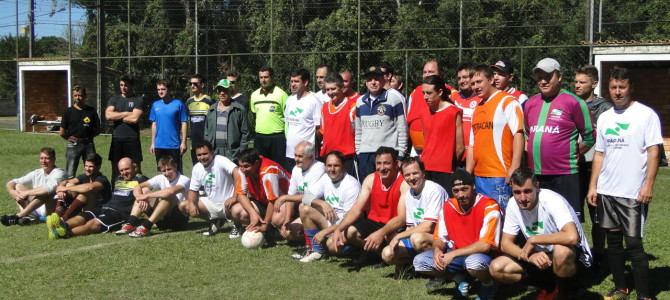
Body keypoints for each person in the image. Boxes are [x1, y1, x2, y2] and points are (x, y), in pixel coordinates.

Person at [587, 67, 662, 300]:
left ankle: (645, 294)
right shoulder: (605, 117)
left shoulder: (646, 114)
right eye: (613, 87)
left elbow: (653, 152)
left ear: (630, 88)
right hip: (607, 190)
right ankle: (621, 288)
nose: (617, 92)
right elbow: (599, 154)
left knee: (634, 244)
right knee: (614, 242)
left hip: (632, 193)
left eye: (622, 87)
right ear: (608, 89)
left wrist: (648, 185)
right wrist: (593, 186)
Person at [489, 168, 592, 299]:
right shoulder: (512, 204)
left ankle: (565, 292)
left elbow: (572, 237)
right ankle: (549, 287)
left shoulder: (551, 200)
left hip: (573, 256)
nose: (522, 198)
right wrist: (529, 257)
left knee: (561, 252)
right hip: (541, 255)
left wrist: (534, 239)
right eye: (517, 192)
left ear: (537, 186)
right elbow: (505, 244)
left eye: (527, 191)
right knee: (497, 267)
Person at [524, 58, 595, 221]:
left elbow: (590, 136)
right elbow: (529, 134)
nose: (543, 81)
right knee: (541, 221)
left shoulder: (575, 102)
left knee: (568, 222)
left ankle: (573, 248)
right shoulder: (530, 103)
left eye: (548, 76)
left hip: (565, 174)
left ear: (559, 76)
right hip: (537, 175)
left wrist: (578, 152)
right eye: (539, 77)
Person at [413, 169, 500, 299]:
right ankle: (461, 279)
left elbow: (485, 245)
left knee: (473, 262)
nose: (460, 195)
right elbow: (440, 238)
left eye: (464, 189)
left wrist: (452, 254)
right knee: (420, 262)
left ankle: (488, 284)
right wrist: (437, 250)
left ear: (474, 187)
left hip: (482, 256)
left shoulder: (489, 205)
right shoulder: (447, 206)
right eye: (456, 191)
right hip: (457, 256)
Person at [326, 147, 409, 265]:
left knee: (390, 251)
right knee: (346, 234)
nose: (382, 167)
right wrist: (339, 229)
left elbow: (402, 218)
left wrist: (381, 233)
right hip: (374, 222)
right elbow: (356, 209)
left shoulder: (404, 183)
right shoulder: (370, 179)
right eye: (378, 163)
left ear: (396, 164)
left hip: (394, 226)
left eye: (386, 163)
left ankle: (378, 254)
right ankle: (376, 253)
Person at [467, 65, 524, 210]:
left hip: (499, 175)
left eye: (479, 82)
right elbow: (472, 146)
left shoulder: (508, 102)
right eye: (473, 83)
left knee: (501, 221)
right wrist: (468, 175)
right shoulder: (477, 109)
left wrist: (514, 168)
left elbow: (518, 134)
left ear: (491, 79)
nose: (475, 87)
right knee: (485, 221)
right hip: (479, 176)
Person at [45, 157, 148, 239]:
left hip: (120, 214)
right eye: (121, 170)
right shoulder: (119, 178)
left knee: (94, 224)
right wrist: (63, 185)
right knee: (84, 216)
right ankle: (60, 225)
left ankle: (66, 233)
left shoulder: (142, 180)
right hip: (105, 207)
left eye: (127, 169)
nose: (124, 172)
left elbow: (147, 195)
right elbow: (71, 181)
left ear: (135, 167)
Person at [573, 64, 612, 267]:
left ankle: (599, 253)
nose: (577, 86)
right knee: (573, 212)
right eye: (576, 82)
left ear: (594, 83)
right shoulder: (571, 103)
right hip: (574, 168)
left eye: (582, 82)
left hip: (595, 168)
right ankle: (578, 252)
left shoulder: (605, 109)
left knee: (597, 214)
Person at [381, 157, 445, 277]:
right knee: (387, 253)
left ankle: (440, 271)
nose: (411, 178)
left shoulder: (434, 190)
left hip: (440, 240)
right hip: (419, 237)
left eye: (415, 173)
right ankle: (412, 267)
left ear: (423, 173)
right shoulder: (410, 193)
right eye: (407, 175)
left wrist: (399, 236)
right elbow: (410, 226)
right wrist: (397, 240)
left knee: (417, 238)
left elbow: (428, 226)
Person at [299, 151, 361, 262]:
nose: (332, 169)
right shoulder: (325, 178)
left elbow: (349, 220)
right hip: (331, 222)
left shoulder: (351, 185)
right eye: (329, 165)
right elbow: (305, 197)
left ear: (344, 166)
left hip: (345, 227)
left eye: (336, 165)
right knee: (304, 208)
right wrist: (322, 203)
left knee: (331, 246)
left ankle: (356, 249)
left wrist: (325, 232)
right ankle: (317, 251)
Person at [115, 156, 190, 237]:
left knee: (168, 197)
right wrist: (140, 197)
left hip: (178, 221)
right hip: (162, 220)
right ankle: (131, 223)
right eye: (163, 171)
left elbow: (170, 192)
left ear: (175, 166)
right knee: (144, 190)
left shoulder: (184, 179)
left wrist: (146, 196)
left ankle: (146, 227)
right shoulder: (161, 178)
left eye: (169, 169)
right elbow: (138, 186)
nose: (167, 173)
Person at [355, 66, 408, 181]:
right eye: (369, 79)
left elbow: (402, 128)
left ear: (383, 80)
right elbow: (358, 130)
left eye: (376, 79)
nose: (373, 82)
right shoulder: (359, 102)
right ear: (366, 82)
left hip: (387, 155)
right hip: (365, 155)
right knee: (367, 189)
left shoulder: (394, 99)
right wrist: (359, 152)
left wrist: (401, 154)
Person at [179, 142, 241, 237]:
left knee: (237, 207)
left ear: (212, 152)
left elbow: (237, 172)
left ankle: (237, 225)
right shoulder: (197, 168)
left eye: (205, 154)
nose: (202, 157)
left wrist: (235, 196)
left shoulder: (220, 160)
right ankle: (216, 220)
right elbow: (193, 190)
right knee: (184, 205)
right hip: (212, 203)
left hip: (229, 203)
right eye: (199, 155)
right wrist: (192, 204)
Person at [274, 141, 325, 252]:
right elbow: (291, 195)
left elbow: (310, 197)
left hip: (318, 209)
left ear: (311, 157)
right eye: (295, 155)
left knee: (303, 206)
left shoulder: (319, 168)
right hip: (302, 206)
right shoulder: (296, 169)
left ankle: (312, 244)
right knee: (278, 220)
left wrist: (284, 197)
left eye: (300, 156)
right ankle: (303, 234)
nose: (296, 159)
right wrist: (286, 221)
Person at [234, 148, 291, 245]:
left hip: (285, 202)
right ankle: (268, 230)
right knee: (237, 210)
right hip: (263, 201)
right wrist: (253, 214)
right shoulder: (242, 170)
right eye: (241, 166)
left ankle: (275, 229)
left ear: (256, 163)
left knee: (276, 219)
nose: (243, 169)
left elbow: (273, 200)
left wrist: (265, 224)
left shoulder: (268, 171)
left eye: (246, 166)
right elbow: (240, 194)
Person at [419, 75, 464, 192]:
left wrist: (450, 163)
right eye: (423, 93)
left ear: (439, 92)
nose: (425, 97)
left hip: (445, 170)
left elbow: (460, 147)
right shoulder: (424, 112)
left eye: (429, 93)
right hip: (425, 168)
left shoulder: (453, 112)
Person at [2, 147, 66, 226]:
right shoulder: (37, 172)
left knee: (45, 193)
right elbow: (12, 182)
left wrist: (26, 193)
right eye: (41, 158)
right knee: (18, 186)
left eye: (47, 158)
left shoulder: (59, 173)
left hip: (49, 208)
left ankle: (18, 216)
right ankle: (29, 217)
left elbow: (48, 188)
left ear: (54, 159)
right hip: (35, 205)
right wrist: (12, 192)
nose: (43, 161)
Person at [53, 153, 111, 224]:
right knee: (69, 184)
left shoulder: (102, 179)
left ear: (98, 167)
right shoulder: (85, 176)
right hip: (86, 207)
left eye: (90, 166)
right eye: (86, 166)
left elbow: (89, 187)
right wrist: (61, 190)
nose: (87, 169)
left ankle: (64, 218)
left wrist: (65, 189)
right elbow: (66, 182)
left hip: (100, 209)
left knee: (84, 193)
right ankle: (56, 215)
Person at [250, 66, 289, 171]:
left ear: (272, 78)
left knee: (278, 168)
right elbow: (255, 114)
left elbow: (288, 117)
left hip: (277, 138)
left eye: (266, 77)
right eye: (261, 77)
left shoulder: (282, 94)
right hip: (260, 138)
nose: (263, 80)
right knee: (260, 168)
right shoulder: (254, 95)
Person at [106, 75, 144, 182]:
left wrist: (117, 116)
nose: (123, 87)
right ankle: (115, 194)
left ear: (132, 86)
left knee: (136, 169)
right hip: (117, 139)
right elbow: (108, 116)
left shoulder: (138, 100)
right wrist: (126, 113)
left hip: (132, 139)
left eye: (126, 85)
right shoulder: (114, 99)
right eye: (121, 85)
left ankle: (137, 195)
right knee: (116, 169)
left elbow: (134, 119)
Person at [319, 73, 357, 177]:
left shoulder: (352, 106)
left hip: (346, 156)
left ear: (341, 88)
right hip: (329, 157)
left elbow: (358, 132)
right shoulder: (324, 107)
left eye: (333, 89)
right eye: (327, 89)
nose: (330, 92)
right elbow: (323, 132)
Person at [203, 78, 250, 160]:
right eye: (219, 90)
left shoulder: (239, 109)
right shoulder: (211, 110)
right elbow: (206, 132)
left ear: (230, 91)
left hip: (232, 153)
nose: (222, 93)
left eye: (225, 90)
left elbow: (245, 133)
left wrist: (241, 151)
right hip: (214, 153)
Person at [59, 85, 100, 179]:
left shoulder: (91, 111)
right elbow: (62, 132)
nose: (78, 98)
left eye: (80, 95)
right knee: (70, 172)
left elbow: (98, 129)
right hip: (73, 144)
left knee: (92, 168)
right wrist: (69, 138)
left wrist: (89, 137)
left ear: (85, 96)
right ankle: (69, 190)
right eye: (75, 95)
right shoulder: (68, 111)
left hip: (88, 144)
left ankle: (91, 188)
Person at [284, 68, 322, 170]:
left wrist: (314, 149)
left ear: (305, 82)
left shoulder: (314, 101)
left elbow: (318, 128)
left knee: (306, 184)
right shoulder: (289, 100)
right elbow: (288, 125)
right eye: (291, 81)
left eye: (296, 81)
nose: (293, 84)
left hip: (306, 155)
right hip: (290, 152)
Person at [149, 79, 188, 173]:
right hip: (159, 145)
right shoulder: (155, 105)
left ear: (169, 90)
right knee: (162, 172)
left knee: (176, 172)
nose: (160, 91)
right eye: (158, 89)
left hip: (174, 145)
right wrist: (153, 143)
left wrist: (183, 142)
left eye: (163, 89)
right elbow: (154, 124)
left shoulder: (178, 104)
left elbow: (184, 123)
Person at [407, 60, 444, 155]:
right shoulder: (415, 93)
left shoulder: (449, 93)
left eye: (431, 72)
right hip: (416, 152)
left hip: (438, 151)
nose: (427, 74)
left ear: (440, 74)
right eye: (425, 72)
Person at [451, 63, 482, 162]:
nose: (461, 81)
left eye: (465, 77)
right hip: (455, 154)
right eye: (459, 78)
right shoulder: (453, 98)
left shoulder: (481, 99)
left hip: (474, 155)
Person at [186, 73, 215, 165]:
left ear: (202, 85)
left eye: (195, 84)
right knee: (196, 165)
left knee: (209, 165)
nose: (192, 86)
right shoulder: (189, 101)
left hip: (206, 139)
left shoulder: (209, 101)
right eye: (191, 84)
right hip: (194, 140)